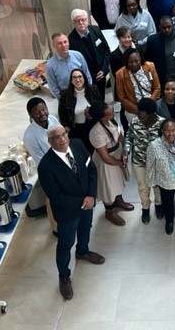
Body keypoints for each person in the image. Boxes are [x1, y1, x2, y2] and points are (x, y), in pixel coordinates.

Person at [38, 125, 104, 301]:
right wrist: (83, 202)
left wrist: (90, 195)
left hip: (86, 204)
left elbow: (91, 170)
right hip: (67, 212)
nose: (62, 139)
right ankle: (64, 276)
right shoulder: (45, 166)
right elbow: (56, 196)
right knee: (65, 244)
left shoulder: (78, 144)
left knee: (85, 229)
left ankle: (83, 251)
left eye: (63, 134)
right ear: (50, 141)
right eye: (56, 137)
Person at [87, 101, 131, 226]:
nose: (113, 114)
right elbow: (105, 157)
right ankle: (110, 210)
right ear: (102, 117)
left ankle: (118, 200)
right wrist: (119, 162)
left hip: (117, 155)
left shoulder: (111, 120)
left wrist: (125, 151)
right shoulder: (96, 132)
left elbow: (120, 135)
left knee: (118, 181)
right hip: (106, 163)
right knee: (108, 187)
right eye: (110, 114)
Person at [124, 98, 166, 224]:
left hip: (157, 162)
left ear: (152, 115)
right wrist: (126, 149)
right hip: (139, 161)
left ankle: (159, 205)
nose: (140, 119)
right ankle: (145, 208)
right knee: (143, 187)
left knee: (157, 186)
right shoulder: (135, 121)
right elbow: (129, 136)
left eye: (143, 117)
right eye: (138, 115)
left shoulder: (162, 123)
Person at [23, 97, 60, 233]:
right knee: (53, 200)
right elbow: (41, 161)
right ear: (31, 115)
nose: (42, 113)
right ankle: (56, 228)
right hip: (49, 172)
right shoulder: (30, 136)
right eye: (37, 112)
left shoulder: (53, 120)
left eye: (44, 109)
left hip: (62, 163)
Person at [144, 14, 175, 92]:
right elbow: (149, 63)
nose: (167, 30)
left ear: (173, 25)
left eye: (169, 27)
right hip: (161, 82)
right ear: (159, 27)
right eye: (164, 28)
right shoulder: (152, 41)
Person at [68, 9, 110, 99]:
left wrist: (104, 69)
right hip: (86, 78)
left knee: (101, 98)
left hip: (101, 74)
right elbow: (74, 64)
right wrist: (90, 76)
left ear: (87, 20)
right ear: (73, 23)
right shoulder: (71, 40)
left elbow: (106, 50)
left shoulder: (96, 30)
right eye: (77, 21)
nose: (81, 22)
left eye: (83, 20)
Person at [58, 68, 101, 154]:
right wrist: (66, 126)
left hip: (92, 126)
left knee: (95, 150)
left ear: (84, 78)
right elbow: (62, 112)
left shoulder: (93, 89)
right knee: (80, 152)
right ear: (71, 80)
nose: (77, 80)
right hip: (75, 129)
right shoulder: (65, 94)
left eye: (80, 77)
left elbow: (100, 106)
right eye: (74, 77)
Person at [115, 47, 161, 117]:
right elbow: (122, 97)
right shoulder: (120, 74)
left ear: (140, 59)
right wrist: (138, 110)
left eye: (137, 61)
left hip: (152, 106)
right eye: (130, 62)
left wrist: (150, 103)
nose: (134, 64)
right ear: (126, 61)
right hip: (133, 111)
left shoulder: (150, 66)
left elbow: (157, 87)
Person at [47, 33, 92, 99]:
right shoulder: (50, 66)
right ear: (54, 45)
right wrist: (64, 101)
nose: (63, 45)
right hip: (67, 99)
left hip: (85, 94)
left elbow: (87, 75)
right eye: (59, 43)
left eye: (65, 42)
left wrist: (89, 92)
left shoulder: (78, 56)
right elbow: (53, 88)